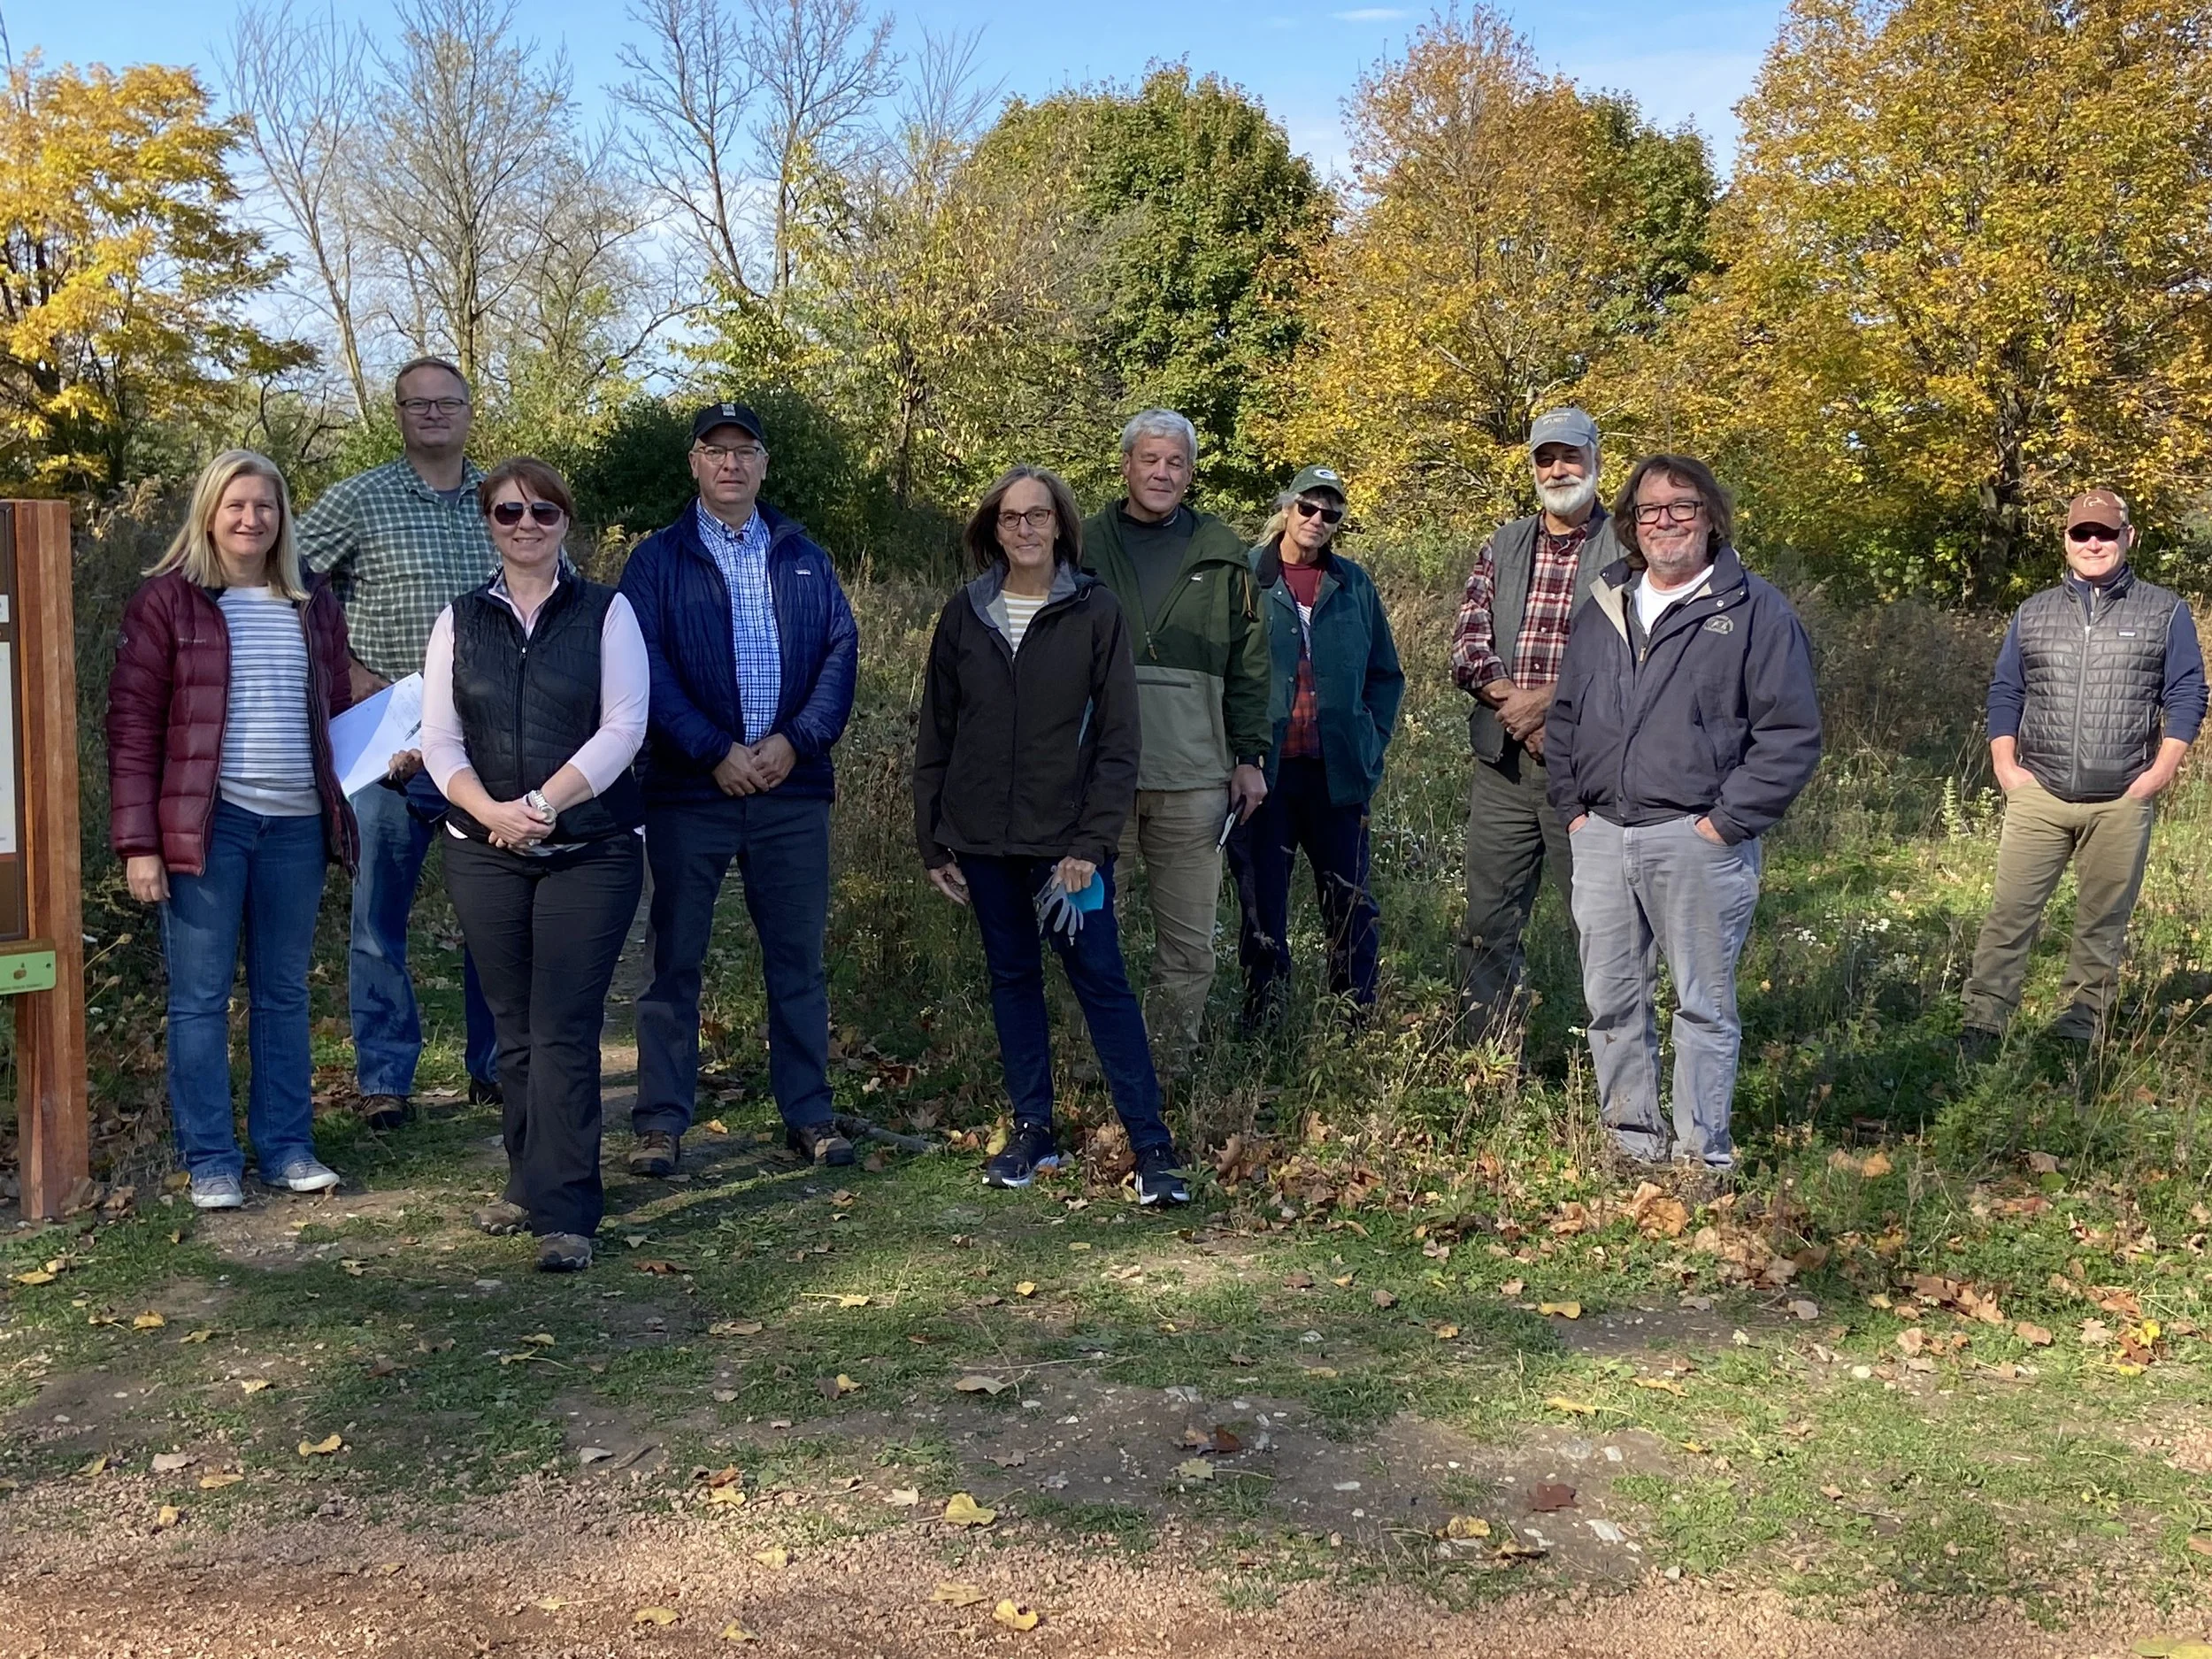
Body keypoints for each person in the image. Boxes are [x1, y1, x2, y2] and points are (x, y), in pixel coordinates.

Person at [914, 467, 1190, 1204]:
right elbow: (937, 732)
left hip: (1065, 851)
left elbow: (1118, 740)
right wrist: (933, 839)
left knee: (1102, 981)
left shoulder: (1094, 611)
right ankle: (1033, 1131)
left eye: (1039, 516)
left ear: (1062, 526)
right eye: (1011, 518)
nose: (1026, 529)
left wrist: (1091, 841)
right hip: (981, 841)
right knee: (1012, 980)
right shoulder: (964, 613)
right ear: (993, 530)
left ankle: (1152, 1146)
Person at [1547, 455, 1822, 1192]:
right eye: (1649, 509)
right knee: (1612, 1000)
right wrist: (1573, 809)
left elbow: (1791, 734)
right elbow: (1567, 717)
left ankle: (1704, 1158)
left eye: (1682, 506)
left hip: (1697, 840)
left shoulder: (1755, 610)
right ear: (1632, 524)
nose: (1665, 520)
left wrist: (1727, 823)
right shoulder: (1605, 606)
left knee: (1701, 1004)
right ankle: (1633, 1146)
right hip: (1603, 834)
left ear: (1711, 515)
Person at [107, 450, 358, 1210]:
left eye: (267, 506)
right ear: (209, 512)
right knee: (199, 998)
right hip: (207, 828)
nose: (252, 518)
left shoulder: (312, 602)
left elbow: (338, 715)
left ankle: (286, 1146)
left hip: (296, 827)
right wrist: (140, 843)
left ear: (283, 518)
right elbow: (132, 728)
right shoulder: (167, 603)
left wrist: (392, 751)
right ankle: (212, 1156)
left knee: (283, 993)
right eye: (236, 505)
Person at [620, 403, 859, 1179]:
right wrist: (712, 749)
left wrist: (794, 741)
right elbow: (643, 665)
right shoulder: (657, 559)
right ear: (693, 462)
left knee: (797, 958)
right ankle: (660, 1120)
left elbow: (839, 650)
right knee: (674, 959)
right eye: (714, 451)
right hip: (693, 791)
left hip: (791, 791)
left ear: (763, 463)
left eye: (744, 450)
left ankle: (809, 1113)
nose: (730, 463)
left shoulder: (803, 555)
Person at [422, 458, 647, 1272]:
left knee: (562, 1027)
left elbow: (623, 728)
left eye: (543, 513)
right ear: (488, 522)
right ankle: (526, 1179)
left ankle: (567, 1210)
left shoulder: (607, 612)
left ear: (566, 524)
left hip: (591, 846)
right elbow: (441, 738)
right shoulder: (458, 620)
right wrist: (490, 814)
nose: (525, 524)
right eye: (509, 511)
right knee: (513, 1028)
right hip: (482, 849)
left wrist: (543, 805)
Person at [298, 357, 500, 1129]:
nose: (435, 414)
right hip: (390, 744)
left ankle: (495, 1066)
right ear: (399, 414)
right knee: (379, 914)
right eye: (419, 404)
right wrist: (340, 667)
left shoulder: (501, 500)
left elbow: (558, 588)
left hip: (486, 745)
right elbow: (288, 575)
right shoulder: (359, 499)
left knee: (493, 912)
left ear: (469, 410)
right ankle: (386, 1077)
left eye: (449, 401)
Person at [1960, 490, 2205, 1054]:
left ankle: (2078, 1030)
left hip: (2121, 796)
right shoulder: (2033, 611)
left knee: (2102, 923)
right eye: (2081, 533)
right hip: (2039, 792)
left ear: (2129, 537)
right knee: (2009, 915)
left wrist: (2160, 772)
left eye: (2105, 533)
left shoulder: (2165, 611)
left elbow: (2188, 692)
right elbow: (2007, 690)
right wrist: (2005, 764)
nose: (2093, 543)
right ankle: (1983, 1026)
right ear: (2066, 541)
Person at [1079, 410, 1271, 1073]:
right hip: (1097, 782)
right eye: (1151, 459)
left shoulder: (1222, 554)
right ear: (1126, 464)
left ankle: (1165, 1068)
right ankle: (1093, 1063)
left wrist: (1250, 758)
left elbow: (1251, 668)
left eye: (1177, 463)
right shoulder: (1082, 543)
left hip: (1195, 781)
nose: (1162, 473)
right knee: (1083, 930)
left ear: (1190, 474)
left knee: (1189, 945)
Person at [1449, 407, 1626, 1040]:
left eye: (1570, 456)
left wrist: (1552, 700)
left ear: (1595, 459)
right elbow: (1468, 646)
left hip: (1590, 772)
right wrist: (1522, 715)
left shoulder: (1630, 548)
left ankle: (1616, 1078)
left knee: (1602, 926)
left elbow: (1637, 655)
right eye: (1546, 458)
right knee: (1487, 924)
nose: (1558, 469)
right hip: (1504, 765)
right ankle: (1488, 1066)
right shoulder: (1503, 542)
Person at [1228, 465, 1403, 1031]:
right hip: (1265, 774)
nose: (1317, 520)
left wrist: (1369, 743)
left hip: (1337, 774)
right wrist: (1237, 757)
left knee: (1351, 904)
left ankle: (1353, 1022)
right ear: (1287, 507)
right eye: (1308, 507)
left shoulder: (1353, 584)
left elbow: (1384, 674)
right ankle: (1265, 1026)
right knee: (1263, 906)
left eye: (1331, 513)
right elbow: (1223, 670)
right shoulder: (1247, 577)